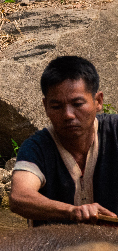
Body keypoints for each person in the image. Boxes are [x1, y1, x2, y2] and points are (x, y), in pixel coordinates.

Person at [10, 55, 118, 226]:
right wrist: (72, 211)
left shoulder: (115, 132)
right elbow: (19, 197)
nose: (68, 114)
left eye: (77, 104)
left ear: (98, 101)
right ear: (45, 107)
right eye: (56, 107)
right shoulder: (36, 147)